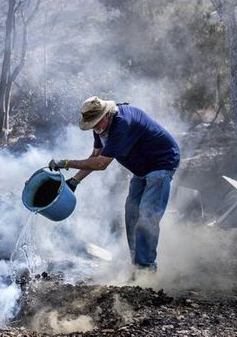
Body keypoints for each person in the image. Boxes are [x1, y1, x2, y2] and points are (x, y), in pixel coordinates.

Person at [49, 96, 180, 272]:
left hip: (162, 163)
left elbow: (101, 164)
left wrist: (66, 163)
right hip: (141, 169)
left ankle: (146, 268)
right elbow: (95, 157)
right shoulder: (100, 127)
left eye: (96, 123)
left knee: (148, 214)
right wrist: (74, 181)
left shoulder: (122, 124)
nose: (95, 128)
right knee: (132, 213)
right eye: (92, 125)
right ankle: (137, 263)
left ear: (107, 114)